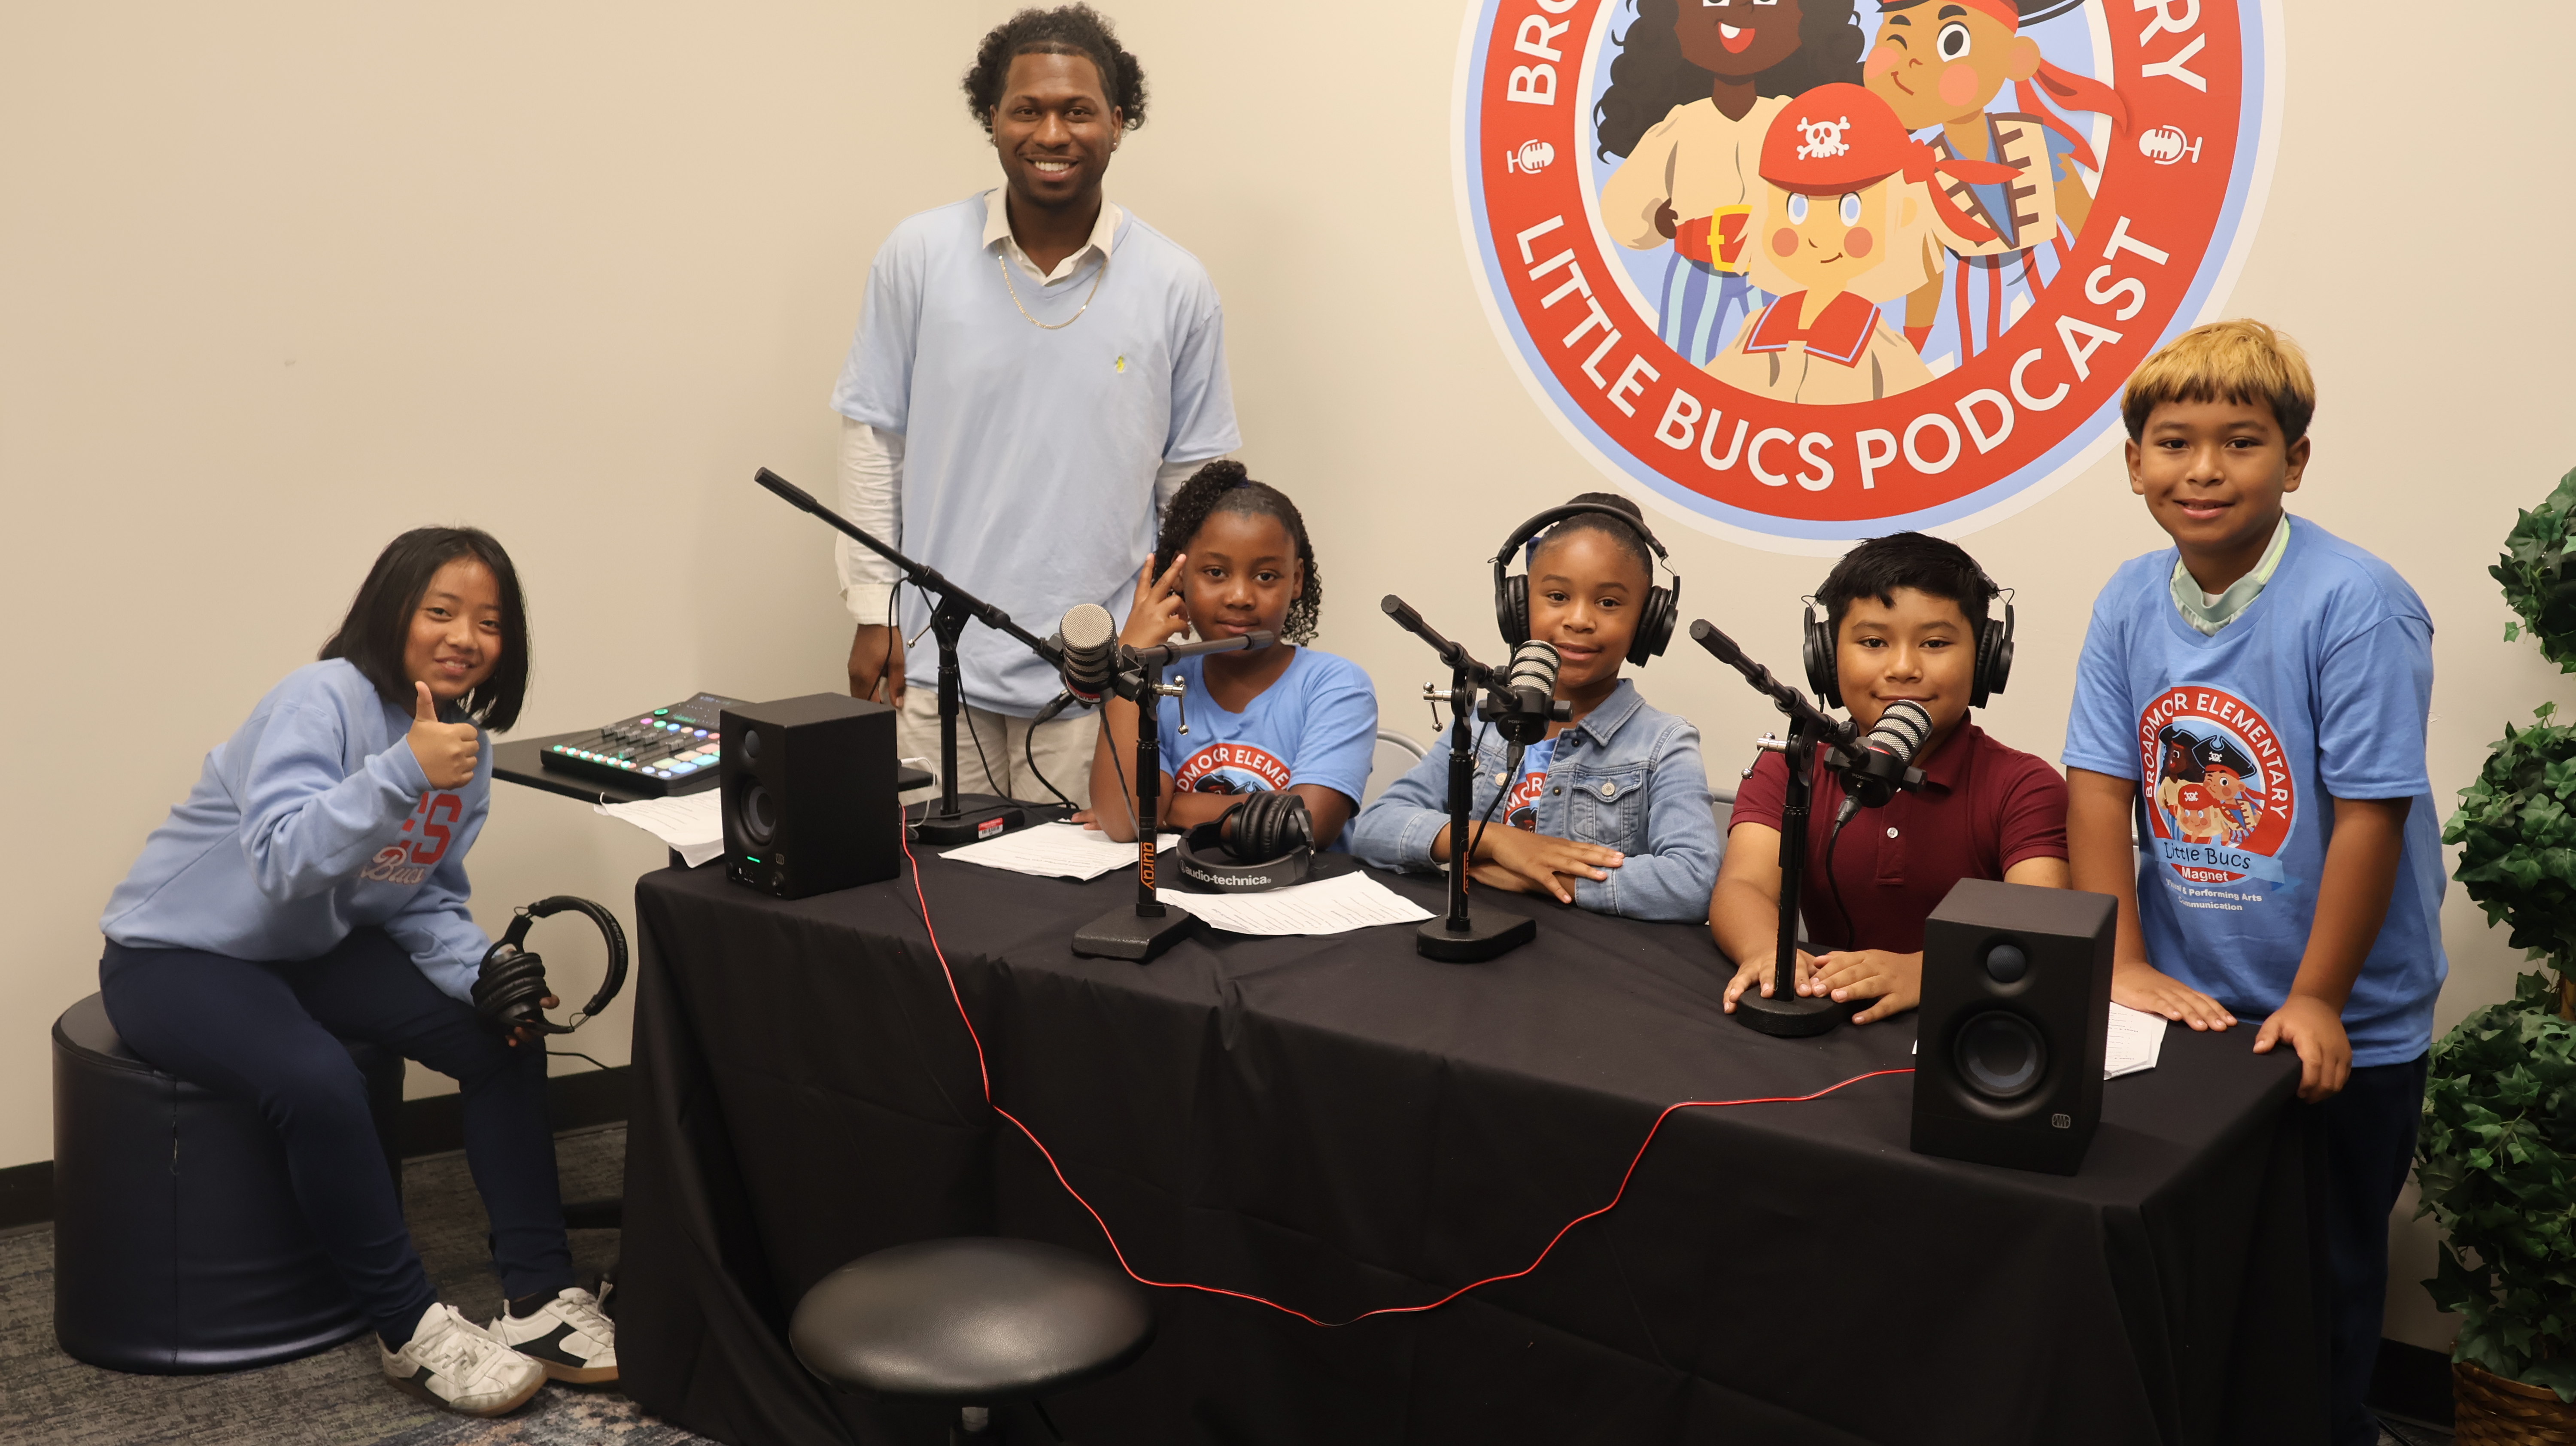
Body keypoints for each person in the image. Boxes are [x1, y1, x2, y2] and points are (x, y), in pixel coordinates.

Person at [96, 529, 613, 1417]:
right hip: (176, 954)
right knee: (320, 1079)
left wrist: (486, 967)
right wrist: (405, 770)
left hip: (311, 948)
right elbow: (281, 859)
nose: (465, 637)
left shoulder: (466, 747)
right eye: (441, 611)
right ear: (393, 609)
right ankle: (410, 1329)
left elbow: (414, 895)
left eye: (489, 622)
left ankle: (538, 1298)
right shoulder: (319, 698)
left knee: (504, 1035)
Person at [2060, 319, 2445, 1446]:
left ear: (2296, 461)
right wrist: (2125, 963)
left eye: (2241, 442)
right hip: (2196, 1004)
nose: (2205, 470)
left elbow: (2372, 817)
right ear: (2135, 465)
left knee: (2320, 1287)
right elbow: (2100, 790)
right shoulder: (2128, 598)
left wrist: (2319, 996)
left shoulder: (2356, 603)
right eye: (2175, 443)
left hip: (2341, 1019)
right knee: (2197, 1270)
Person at [830, 3, 1239, 808]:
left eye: (1078, 110)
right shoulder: (918, 255)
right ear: (992, 118)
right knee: (933, 881)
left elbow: (1193, 484)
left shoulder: (1176, 284)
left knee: (1083, 886)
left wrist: (1161, 635)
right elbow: (875, 443)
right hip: (934, 664)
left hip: (1099, 676)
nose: (1052, 133)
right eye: (1028, 109)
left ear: (1118, 122)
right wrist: (875, 610)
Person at [1714, 532, 2067, 1021]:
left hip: (1964, 1021)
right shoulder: (1790, 764)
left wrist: (1925, 971)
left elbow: (2040, 926)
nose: (1903, 668)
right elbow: (1742, 886)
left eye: (1935, 643)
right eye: (1874, 642)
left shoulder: (2024, 786)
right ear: (1826, 656)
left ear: (1986, 659)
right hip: (1827, 1011)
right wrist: (1766, 951)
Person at [1350, 493, 1719, 921]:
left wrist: (1543, 876)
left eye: (1609, 603)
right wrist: (1497, 842)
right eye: (1558, 596)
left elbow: (1692, 882)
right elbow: (1375, 827)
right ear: (1519, 607)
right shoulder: (1483, 722)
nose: (1579, 620)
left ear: (1648, 623)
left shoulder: (1665, 744)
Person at [1079, 462, 1376, 848]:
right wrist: (1128, 663)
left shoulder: (1336, 687)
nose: (1240, 597)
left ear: (1297, 579)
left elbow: (1304, 825)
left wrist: (1168, 809)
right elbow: (1126, 822)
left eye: (1266, 576)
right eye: (1216, 573)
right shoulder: (1160, 680)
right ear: (1181, 576)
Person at [1703, 82, 2014, 403]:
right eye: (1797, 208)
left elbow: (1921, 411)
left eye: (1849, 210)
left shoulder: (1877, 344)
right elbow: (1712, 397)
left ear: (1903, 213)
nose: (1818, 237)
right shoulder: (1758, 328)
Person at [1594, 0, 1864, 366]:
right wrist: (1652, 221)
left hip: (1778, 265)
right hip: (1697, 265)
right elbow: (1626, 198)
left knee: (1786, 364)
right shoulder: (1682, 123)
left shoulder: (1792, 121)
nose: (1741, 9)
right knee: (1683, 360)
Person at [1861, 0, 2126, 358]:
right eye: (1898, 40)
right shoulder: (1919, 173)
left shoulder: (2035, 142)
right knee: (1987, 358)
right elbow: (1930, 272)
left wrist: (2112, 278)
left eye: (1952, 43)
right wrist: (1913, 344)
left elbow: (2086, 225)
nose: (1915, 62)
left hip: (2056, 273)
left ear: (2017, 58)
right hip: (1977, 298)